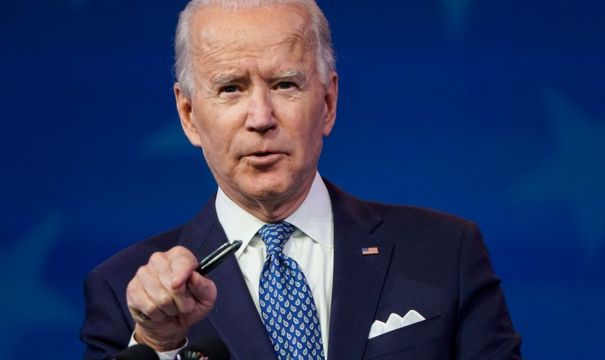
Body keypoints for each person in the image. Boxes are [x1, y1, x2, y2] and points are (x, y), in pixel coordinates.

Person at [80, 0, 522, 359]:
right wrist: (158, 344)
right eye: (231, 88)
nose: (261, 118)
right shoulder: (125, 292)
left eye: (285, 84)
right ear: (189, 116)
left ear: (328, 101)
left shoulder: (445, 252)